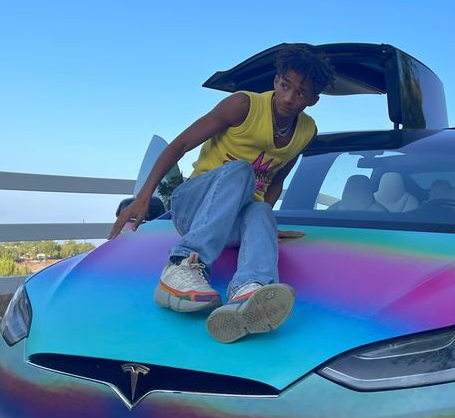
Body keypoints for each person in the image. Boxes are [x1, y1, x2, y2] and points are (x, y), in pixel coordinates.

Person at [109, 44, 335, 343]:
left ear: (313, 100)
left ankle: (248, 291)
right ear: (275, 81)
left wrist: (260, 229)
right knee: (242, 170)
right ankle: (181, 264)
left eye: (301, 93)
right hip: (193, 206)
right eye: (285, 86)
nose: (290, 97)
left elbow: (277, 180)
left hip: (230, 220)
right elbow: (179, 145)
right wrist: (143, 197)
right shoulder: (244, 105)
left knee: (262, 211)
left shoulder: (306, 131)